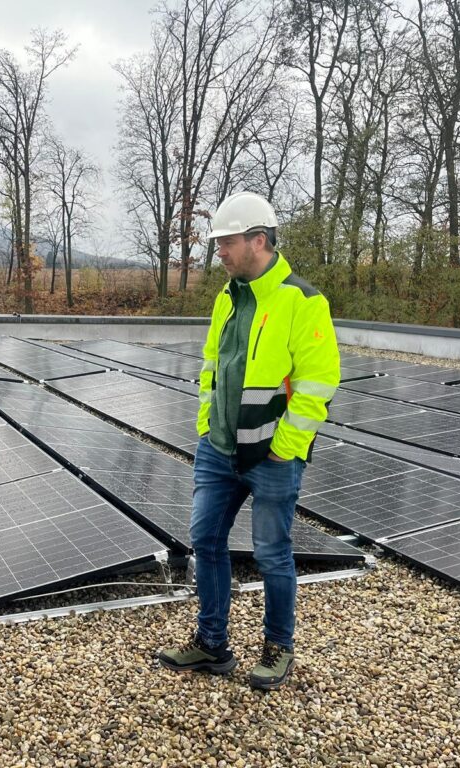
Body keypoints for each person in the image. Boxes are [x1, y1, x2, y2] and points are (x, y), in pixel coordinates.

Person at [158, 192, 340, 691]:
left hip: (272, 456)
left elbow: (319, 382)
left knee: (272, 553)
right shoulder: (227, 296)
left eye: (227, 242)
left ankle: (278, 647)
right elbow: (211, 366)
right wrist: (205, 424)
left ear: (258, 241)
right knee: (206, 540)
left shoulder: (302, 301)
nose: (219, 251)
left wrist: (285, 445)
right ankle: (211, 643)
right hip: (218, 450)